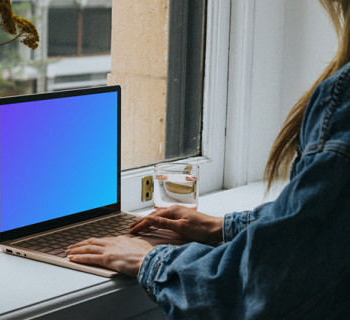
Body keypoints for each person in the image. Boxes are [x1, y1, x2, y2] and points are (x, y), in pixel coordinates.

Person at [66, 0, 350, 318]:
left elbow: (262, 285)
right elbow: (329, 222)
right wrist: (223, 226)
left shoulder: (343, 98)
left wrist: (150, 261)